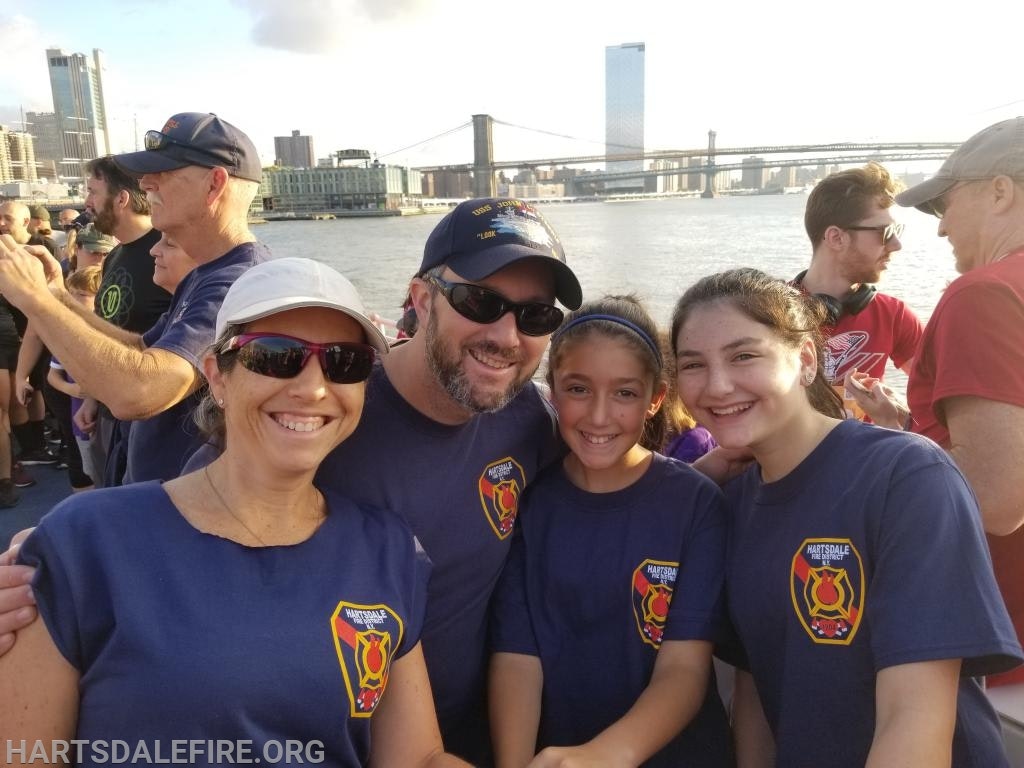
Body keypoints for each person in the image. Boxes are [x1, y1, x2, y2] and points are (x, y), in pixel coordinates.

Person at [0, 197, 583, 765]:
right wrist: (58, 564)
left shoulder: (504, 443)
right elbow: (180, 527)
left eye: (536, 316)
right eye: (276, 356)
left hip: (440, 731)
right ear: (421, 300)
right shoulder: (100, 539)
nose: (312, 387)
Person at [671, 267, 1022, 767]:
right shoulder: (732, 504)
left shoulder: (905, 477)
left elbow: (913, 715)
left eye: (744, 355)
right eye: (693, 365)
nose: (718, 386)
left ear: (807, 360)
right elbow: (756, 688)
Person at [489, 296, 732, 768]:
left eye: (624, 393)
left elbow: (684, 668)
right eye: (578, 389)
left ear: (655, 398)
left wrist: (604, 756)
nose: (599, 416)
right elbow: (518, 659)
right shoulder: (531, 504)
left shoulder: (696, 504)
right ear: (552, 391)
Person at [846, 118, 1024, 692]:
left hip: (993, 640)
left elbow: (997, 499)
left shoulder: (984, 293)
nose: (941, 225)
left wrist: (860, 468)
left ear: (1001, 191)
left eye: (947, 203)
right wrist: (907, 427)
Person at [0, 112, 268, 485]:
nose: (145, 183)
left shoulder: (239, 281)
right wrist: (55, 295)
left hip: (184, 508)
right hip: (155, 491)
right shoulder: (207, 273)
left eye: (162, 173)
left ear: (214, 184)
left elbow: (141, 393)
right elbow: (140, 348)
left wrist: (31, 299)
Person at [794, 162, 922, 417]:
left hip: (870, 456)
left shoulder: (894, 315)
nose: (896, 245)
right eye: (886, 232)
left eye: (896, 230)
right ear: (836, 238)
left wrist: (902, 418)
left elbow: (941, 394)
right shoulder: (768, 314)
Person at [73, 155, 171, 488]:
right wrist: (91, 397)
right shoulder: (115, 255)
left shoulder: (168, 251)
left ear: (122, 198)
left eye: (92, 191)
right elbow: (107, 328)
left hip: (151, 422)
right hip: (107, 415)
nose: (87, 202)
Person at [47, 266, 104, 491]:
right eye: (71, 294)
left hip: (110, 420)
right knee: (90, 473)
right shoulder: (69, 333)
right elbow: (53, 375)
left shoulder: (111, 332)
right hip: (81, 420)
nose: (73, 300)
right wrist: (73, 390)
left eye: (82, 295)